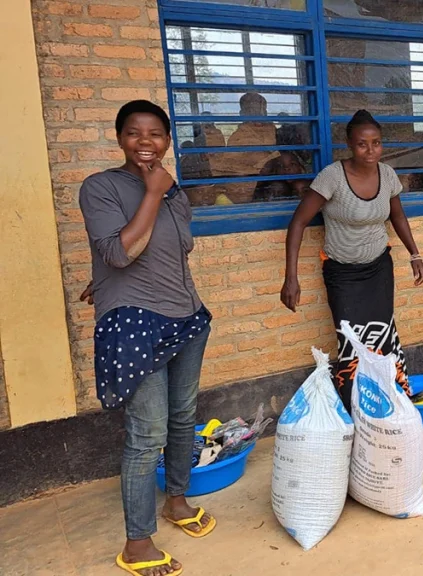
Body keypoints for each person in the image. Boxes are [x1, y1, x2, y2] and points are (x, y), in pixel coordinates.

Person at [78, 100, 214, 576]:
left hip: (187, 316)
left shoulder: (174, 192)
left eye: (155, 133)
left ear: (167, 140)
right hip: (137, 324)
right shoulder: (101, 187)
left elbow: (173, 249)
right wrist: (154, 192)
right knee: (146, 433)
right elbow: (120, 252)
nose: (145, 142)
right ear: (120, 138)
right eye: (134, 133)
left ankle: (176, 500)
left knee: (182, 416)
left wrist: (163, 192)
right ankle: (137, 543)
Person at [281, 110, 423, 410]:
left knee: (383, 335)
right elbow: (298, 223)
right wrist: (291, 278)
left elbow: (398, 216)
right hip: (342, 274)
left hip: (379, 268)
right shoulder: (332, 177)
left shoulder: (387, 175)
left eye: (376, 143)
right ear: (349, 144)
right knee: (350, 341)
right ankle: (356, 406)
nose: (370, 150)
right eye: (362, 144)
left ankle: (390, 403)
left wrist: (415, 253)